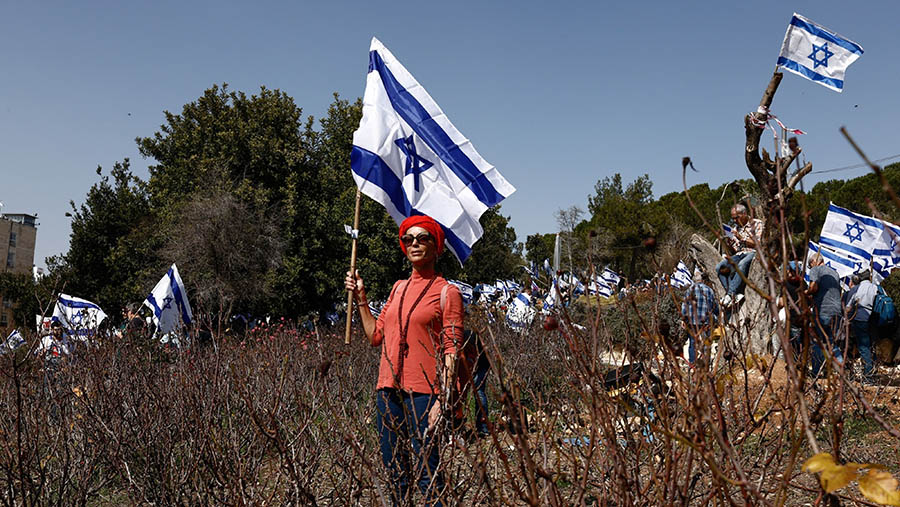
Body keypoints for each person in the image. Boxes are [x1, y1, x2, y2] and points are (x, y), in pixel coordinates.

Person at [345, 215, 463, 506]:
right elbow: (375, 336)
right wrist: (361, 298)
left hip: (425, 394)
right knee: (395, 472)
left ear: (437, 247)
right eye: (408, 239)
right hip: (387, 392)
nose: (415, 244)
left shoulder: (448, 292)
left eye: (423, 238)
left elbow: (452, 350)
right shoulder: (397, 288)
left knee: (428, 474)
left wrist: (442, 401)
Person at [716, 204, 764, 307]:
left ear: (744, 214)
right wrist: (729, 244)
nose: (735, 221)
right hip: (739, 254)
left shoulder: (757, 224)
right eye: (733, 219)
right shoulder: (736, 228)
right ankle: (734, 293)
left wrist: (741, 237)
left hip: (753, 253)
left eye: (736, 218)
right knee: (719, 267)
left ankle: (730, 294)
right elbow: (735, 250)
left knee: (742, 264)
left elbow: (759, 244)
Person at [805, 255, 844, 376]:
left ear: (814, 262)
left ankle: (816, 372)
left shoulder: (815, 270)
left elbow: (814, 287)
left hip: (823, 310)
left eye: (810, 265)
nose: (810, 267)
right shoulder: (835, 273)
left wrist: (805, 293)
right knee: (831, 342)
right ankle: (840, 370)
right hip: (837, 311)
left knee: (818, 341)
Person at [680, 271, 719, 364]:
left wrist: (683, 319)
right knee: (706, 343)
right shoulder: (710, 290)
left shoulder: (690, 290)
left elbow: (684, 306)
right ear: (703, 280)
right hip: (706, 321)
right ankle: (706, 364)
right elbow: (715, 306)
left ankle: (693, 364)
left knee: (692, 343)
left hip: (692, 321)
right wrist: (716, 317)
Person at [845, 272, 877, 383]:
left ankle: (866, 377)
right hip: (873, 321)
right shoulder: (876, 287)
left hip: (859, 320)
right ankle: (872, 373)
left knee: (860, 348)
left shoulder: (857, 289)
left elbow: (848, 308)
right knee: (870, 348)